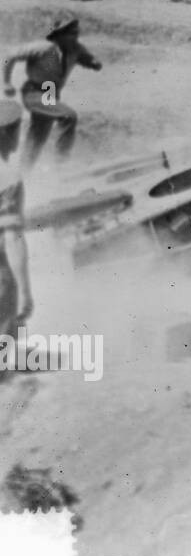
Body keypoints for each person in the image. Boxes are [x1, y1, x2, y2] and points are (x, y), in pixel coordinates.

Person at [2, 18, 103, 167]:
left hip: (50, 92)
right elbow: (10, 56)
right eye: (71, 34)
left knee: (38, 136)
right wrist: (6, 82)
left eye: (77, 33)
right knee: (68, 116)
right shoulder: (43, 48)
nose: (75, 37)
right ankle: (61, 165)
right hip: (34, 92)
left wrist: (94, 63)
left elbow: (89, 59)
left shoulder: (76, 49)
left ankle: (23, 173)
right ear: (59, 35)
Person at [0, 126, 33, 354]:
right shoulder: (7, 176)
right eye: (14, 130)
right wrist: (24, 289)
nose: (18, 137)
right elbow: (12, 237)